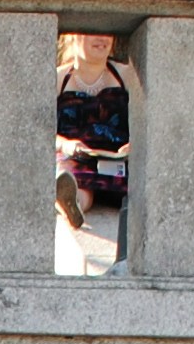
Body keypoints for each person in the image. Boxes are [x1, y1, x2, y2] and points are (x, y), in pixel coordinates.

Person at [51, 28, 137, 233]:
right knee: (75, 183)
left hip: (118, 161)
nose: (102, 38)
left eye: (106, 32)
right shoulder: (58, 79)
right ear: (74, 35)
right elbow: (39, 130)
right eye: (93, 32)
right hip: (76, 158)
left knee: (131, 186)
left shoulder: (126, 76)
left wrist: (136, 143)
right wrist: (66, 144)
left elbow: (148, 118)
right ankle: (71, 203)